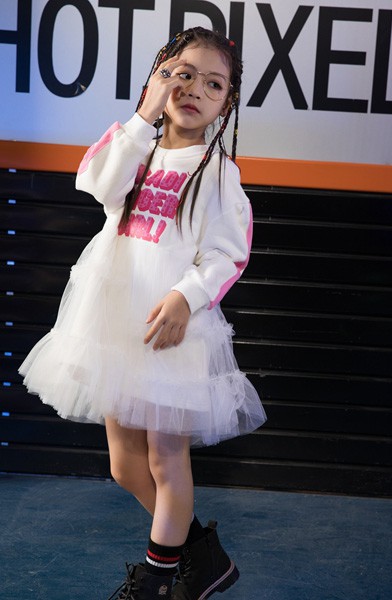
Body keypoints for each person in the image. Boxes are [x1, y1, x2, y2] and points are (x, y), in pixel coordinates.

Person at [19, 26, 267, 599]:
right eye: (182, 74)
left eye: (213, 84)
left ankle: (155, 583)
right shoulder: (135, 147)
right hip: (115, 321)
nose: (194, 89)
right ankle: (203, 556)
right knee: (125, 466)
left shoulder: (218, 173)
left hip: (169, 329)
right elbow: (96, 181)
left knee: (165, 459)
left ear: (227, 102)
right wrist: (143, 115)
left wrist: (186, 296)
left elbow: (229, 254)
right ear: (158, 78)